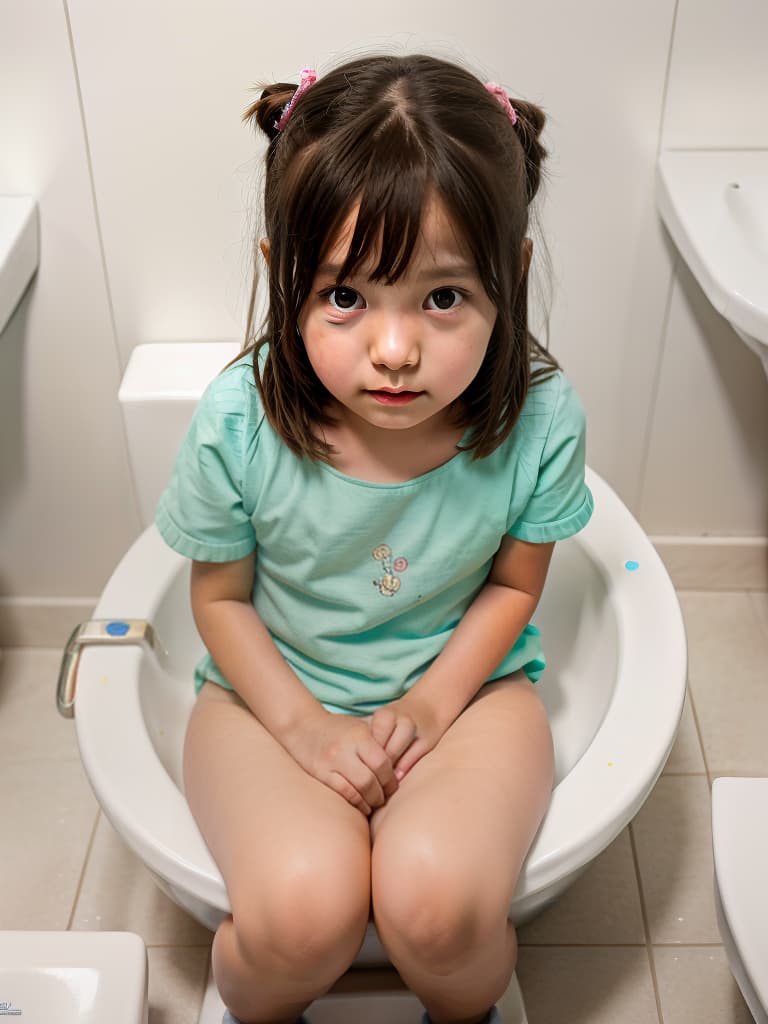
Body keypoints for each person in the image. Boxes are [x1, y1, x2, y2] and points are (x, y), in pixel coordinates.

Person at [156, 53, 593, 1024]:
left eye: (442, 298)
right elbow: (219, 601)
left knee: (438, 912)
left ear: (510, 276)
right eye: (346, 297)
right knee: (300, 917)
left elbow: (514, 589)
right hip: (271, 697)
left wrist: (434, 706)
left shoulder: (541, 418)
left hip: (468, 697)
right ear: (284, 278)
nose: (394, 351)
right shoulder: (240, 420)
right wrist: (308, 730)